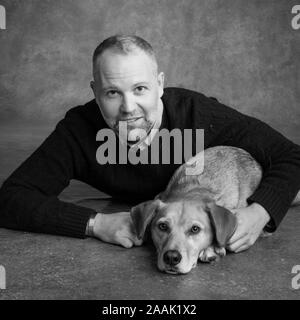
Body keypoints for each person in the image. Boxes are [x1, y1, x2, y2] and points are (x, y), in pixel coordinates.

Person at [0, 35, 299, 253]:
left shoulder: (197, 114)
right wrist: (95, 223)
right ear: (95, 91)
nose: (128, 108)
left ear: (160, 84)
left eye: (140, 89)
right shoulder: (78, 131)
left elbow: (290, 156)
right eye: (113, 93)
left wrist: (260, 212)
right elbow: (10, 198)